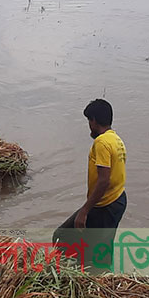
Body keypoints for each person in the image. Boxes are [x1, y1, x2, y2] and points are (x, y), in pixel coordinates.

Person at [54, 99, 127, 264]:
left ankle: (85, 276)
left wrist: (84, 211)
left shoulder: (101, 142)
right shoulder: (116, 140)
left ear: (94, 120)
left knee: (62, 236)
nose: (89, 125)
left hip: (106, 205)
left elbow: (103, 181)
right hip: (117, 199)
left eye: (89, 121)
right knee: (99, 250)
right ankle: (89, 272)